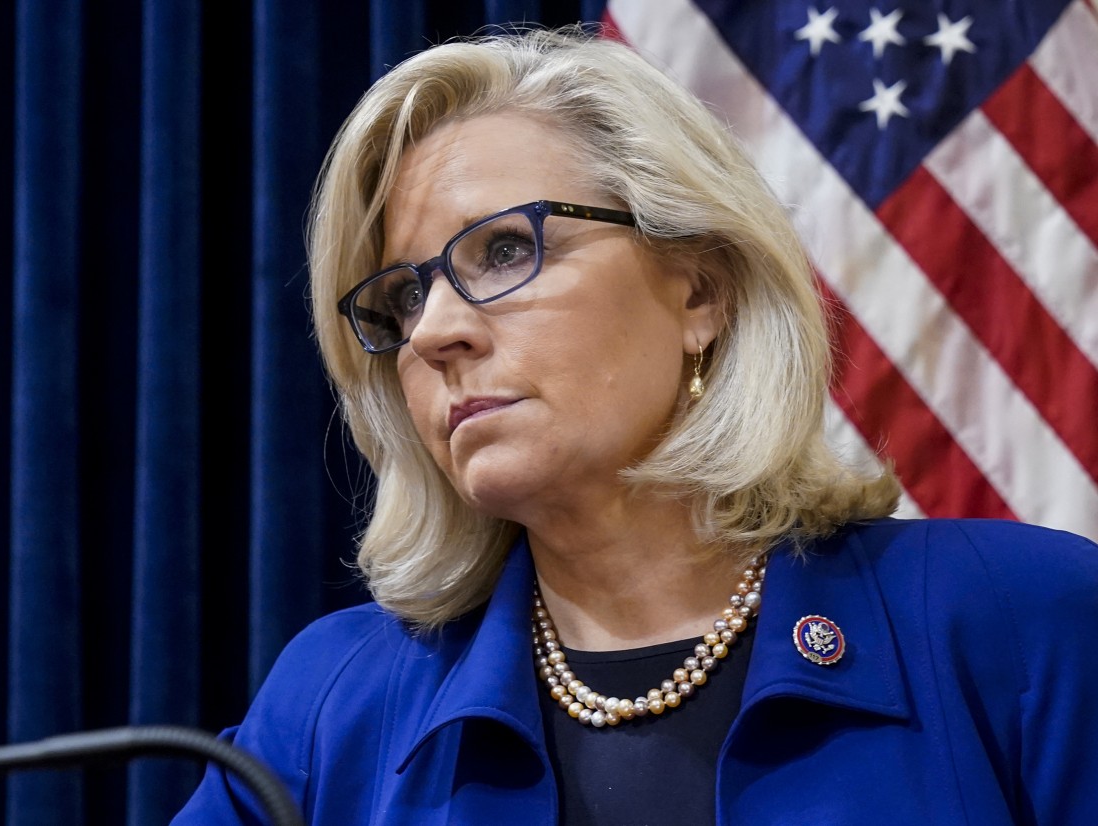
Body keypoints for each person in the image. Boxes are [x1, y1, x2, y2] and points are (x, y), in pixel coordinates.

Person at [174, 28, 1098, 825]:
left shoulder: (1026, 622)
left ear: (700, 289)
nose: (436, 330)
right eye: (403, 297)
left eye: (503, 249)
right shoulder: (332, 703)